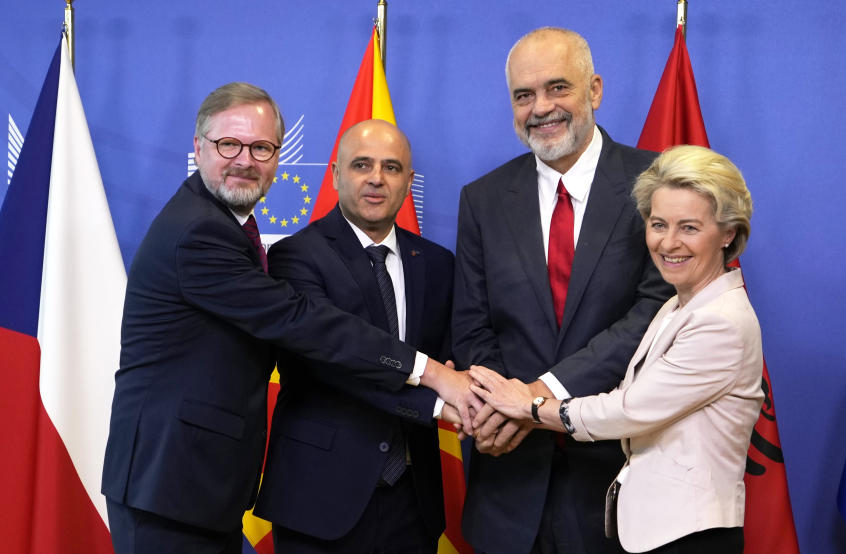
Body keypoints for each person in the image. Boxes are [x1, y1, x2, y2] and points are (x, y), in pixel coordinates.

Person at [101, 83, 476, 554]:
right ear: (198, 148)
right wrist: (437, 380)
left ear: (278, 157)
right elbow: (304, 325)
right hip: (172, 483)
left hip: (199, 485)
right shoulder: (200, 233)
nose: (244, 160)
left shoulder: (223, 225)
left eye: (261, 148)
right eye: (229, 144)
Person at [469, 145, 764, 554]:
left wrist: (531, 405)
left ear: (728, 232)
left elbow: (628, 410)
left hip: (692, 535)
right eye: (658, 224)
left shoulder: (720, 320)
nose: (669, 242)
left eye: (690, 228)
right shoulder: (676, 306)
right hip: (656, 529)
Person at [453, 27, 674, 553]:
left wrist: (539, 397)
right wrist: (506, 409)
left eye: (558, 88)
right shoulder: (482, 199)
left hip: (617, 484)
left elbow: (656, 311)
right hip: (507, 483)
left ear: (594, 90)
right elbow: (470, 324)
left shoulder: (657, 183)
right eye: (523, 95)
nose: (541, 108)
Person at [253, 119, 454, 553]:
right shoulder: (295, 256)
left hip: (413, 502)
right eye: (362, 164)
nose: (376, 178)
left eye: (392, 167)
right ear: (336, 174)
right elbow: (333, 360)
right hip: (319, 501)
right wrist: (442, 401)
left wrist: (473, 387)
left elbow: (452, 356)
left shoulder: (437, 263)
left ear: (409, 182)